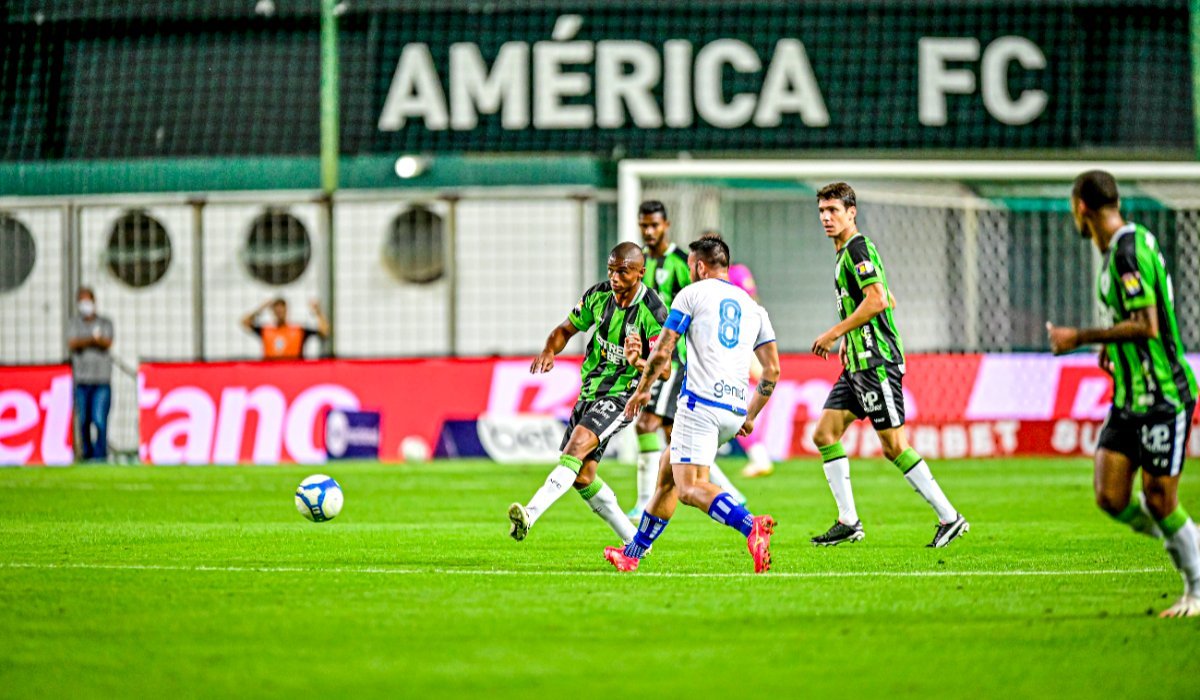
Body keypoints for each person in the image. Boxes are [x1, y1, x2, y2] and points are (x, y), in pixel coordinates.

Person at [1046, 170, 1199, 618]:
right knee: (1111, 497)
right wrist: (1112, 349)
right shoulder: (1128, 245)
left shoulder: (1127, 253)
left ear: (1081, 208)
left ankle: (1195, 587)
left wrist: (1081, 337)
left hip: (1162, 396)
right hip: (1130, 397)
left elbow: (1147, 323)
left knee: (1159, 498)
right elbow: (1135, 322)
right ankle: (1186, 535)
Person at [604, 234, 781, 574]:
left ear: (700, 266)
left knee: (689, 488)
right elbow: (772, 369)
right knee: (668, 473)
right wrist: (751, 415)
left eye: (689, 268)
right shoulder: (754, 308)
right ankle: (633, 554)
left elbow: (664, 347)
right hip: (733, 408)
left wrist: (643, 389)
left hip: (699, 404)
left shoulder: (691, 294)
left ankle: (750, 526)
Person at [808, 182, 968, 548]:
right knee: (824, 434)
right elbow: (888, 298)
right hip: (858, 365)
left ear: (852, 212)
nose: (826, 218)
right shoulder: (845, 254)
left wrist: (836, 333)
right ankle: (848, 521)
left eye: (833, 210)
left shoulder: (858, 247)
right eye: (822, 211)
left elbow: (878, 300)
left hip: (877, 363)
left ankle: (950, 516)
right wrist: (851, 339)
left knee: (894, 445)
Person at [507, 242, 670, 548]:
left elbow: (665, 371)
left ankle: (530, 513)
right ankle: (635, 542)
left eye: (622, 271)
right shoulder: (598, 296)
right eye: (611, 269)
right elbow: (566, 329)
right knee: (582, 475)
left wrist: (637, 362)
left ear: (639, 273)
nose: (614, 277)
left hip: (622, 396)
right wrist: (549, 349)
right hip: (590, 391)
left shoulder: (654, 311)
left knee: (575, 448)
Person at [629, 203, 746, 521]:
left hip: (678, 359)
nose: (648, 231)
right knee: (673, 440)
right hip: (655, 354)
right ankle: (732, 495)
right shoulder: (638, 262)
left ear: (666, 225)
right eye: (644, 225)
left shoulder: (683, 263)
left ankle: (642, 502)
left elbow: (702, 304)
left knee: (645, 424)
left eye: (654, 225)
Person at [726, 257, 776, 478]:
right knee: (732, 403)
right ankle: (759, 456)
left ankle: (760, 457)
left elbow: (752, 299)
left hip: (738, 343)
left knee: (733, 402)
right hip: (729, 346)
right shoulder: (705, 279)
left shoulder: (737, 272)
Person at [67, 287, 114, 462]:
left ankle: (100, 456)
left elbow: (107, 342)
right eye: (82, 301)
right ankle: (87, 454)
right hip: (82, 381)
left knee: (100, 419)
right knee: (84, 420)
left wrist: (89, 341)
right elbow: (73, 343)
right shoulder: (74, 324)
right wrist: (92, 340)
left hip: (101, 380)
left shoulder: (105, 322)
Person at [241, 297, 329, 360]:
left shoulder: (298, 330)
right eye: (276, 309)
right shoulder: (266, 330)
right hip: (270, 371)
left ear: (286, 310)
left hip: (294, 371)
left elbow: (324, 331)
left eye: (282, 309)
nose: (279, 312)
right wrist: (261, 308)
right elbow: (244, 322)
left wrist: (318, 312)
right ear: (273, 311)